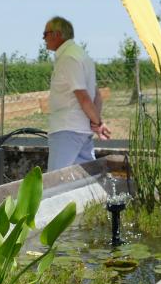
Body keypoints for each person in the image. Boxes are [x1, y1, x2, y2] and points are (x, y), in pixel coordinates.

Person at [43, 17, 110, 171]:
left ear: (57, 34)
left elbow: (84, 97)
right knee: (85, 181)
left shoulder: (68, 58)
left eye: (45, 34)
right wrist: (95, 122)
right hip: (81, 129)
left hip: (67, 130)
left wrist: (98, 124)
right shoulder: (81, 55)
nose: (43, 38)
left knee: (55, 182)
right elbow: (97, 95)